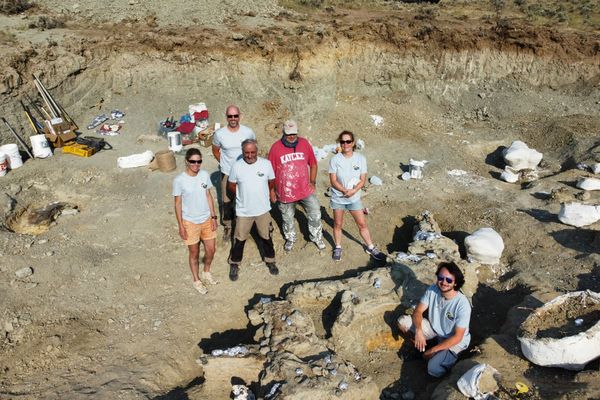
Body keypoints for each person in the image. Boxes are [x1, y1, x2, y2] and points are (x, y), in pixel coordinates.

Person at [397, 261, 472, 378]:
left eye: (449, 280)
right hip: (436, 332)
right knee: (402, 322)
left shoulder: (462, 304)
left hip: (455, 342)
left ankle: (450, 368)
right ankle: (421, 349)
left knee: (433, 368)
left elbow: (458, 337)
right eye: (441, 278)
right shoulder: (433, 290)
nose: (443, 282)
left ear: (456, 283)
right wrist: (419, 331)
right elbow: (418, 312)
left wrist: (433, 351)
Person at [268, 120, 325, 252]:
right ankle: (290, 238)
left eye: (294, 134)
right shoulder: (275, 148)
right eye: (288, 134)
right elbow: (269, 172)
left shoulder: (304, 143)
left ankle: (316, 237)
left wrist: (313, 181)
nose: (291, 137)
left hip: (305, 189)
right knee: (287, 218)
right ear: (283, 132)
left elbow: (313, 164)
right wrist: (271, 190)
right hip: (285, 192)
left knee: (315, 212)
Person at [328, 130, 385, 262]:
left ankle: (370, 246)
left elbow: (362, 179)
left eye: (348, 141)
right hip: (338, 197)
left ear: (353, 143)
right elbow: (333, 180)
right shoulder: (335, 159)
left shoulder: (360, 159)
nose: (345, 144)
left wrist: (353, 192)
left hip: (354, 197)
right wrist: (344, 190)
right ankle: (338, 246)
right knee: (337, 223)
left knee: (361, 224)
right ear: (340, 143)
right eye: (343, 141)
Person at [227, 139, 278, 281]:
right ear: (242, 152)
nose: (250, 155)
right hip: (244, 211)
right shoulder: (237, 166)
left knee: (267, 237)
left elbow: (271, 180)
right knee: (239, 239)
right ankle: (235, 263)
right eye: (246, 152)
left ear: (257, 151)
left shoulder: (266, 164)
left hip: (262, 209)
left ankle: (270, 260)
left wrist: (270, 191)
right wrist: (241, 195)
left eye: (252, 152)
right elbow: (231, 185)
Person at [173, 148, 219, 294]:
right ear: (187, 161)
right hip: (190, 222)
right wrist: (181, 225)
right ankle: (196, 280)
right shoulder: (179, 180)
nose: (196, 164)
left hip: (206, 219)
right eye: (193, 161)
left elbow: (208, 195)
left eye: (199, 161)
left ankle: (206, 271)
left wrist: (213, 216)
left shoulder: (204, 175)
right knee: (194, 252)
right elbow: (178, 203)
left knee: (211, 250)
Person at [212, 105, 256, 240]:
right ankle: (228, 225)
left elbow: (253, 149)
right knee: (227, 200)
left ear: (239, 116)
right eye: (230, 116)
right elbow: (215, 150)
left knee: (247, 197)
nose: (233, 119)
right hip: (227, 172)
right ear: (226, 117)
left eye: (235, 116)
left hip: (245, 172)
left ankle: (251, 224)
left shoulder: (248, 132)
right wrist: (224, 163)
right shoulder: (219, 134)